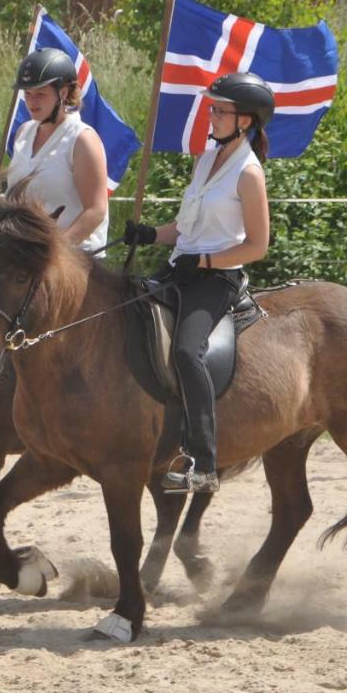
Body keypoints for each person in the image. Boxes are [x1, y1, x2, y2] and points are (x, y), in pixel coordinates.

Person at [123, 72, 273, 494]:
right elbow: (185, 227)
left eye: (220, 111)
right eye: (213, 108)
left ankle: (203, 463)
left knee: (188, 351)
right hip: (181, 268)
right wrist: (152, 234)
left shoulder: (249, 173)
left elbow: (257, 246)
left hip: (216, 280)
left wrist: (206, 260)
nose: (213, 115)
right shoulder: (205, 161)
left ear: (245, 121)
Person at [6, 47, 109, 253]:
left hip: (76, 258)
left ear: (63, 92)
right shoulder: (23, 133)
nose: (32, 102)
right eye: (28, 94)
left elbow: (96, 210)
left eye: (40, 94)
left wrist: (54, 249)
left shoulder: (82, 140)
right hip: (26, 257)